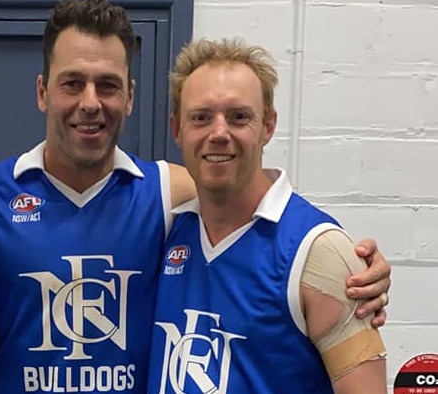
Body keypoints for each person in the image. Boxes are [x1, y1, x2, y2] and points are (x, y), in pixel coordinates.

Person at [0, 1, 391, 393]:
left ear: (131, 99)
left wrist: (352, 268)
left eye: (108, 84)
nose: (90, 101)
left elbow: (253, 197)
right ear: (42, 92)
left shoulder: (167, 191)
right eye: (72, 82)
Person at [148, 38, 387, 393]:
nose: (219, 133)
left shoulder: (319, 253)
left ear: (268, 126)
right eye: (201, 117)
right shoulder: (170, 226)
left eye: (239, 117)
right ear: (177, 129)